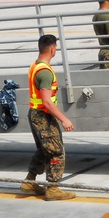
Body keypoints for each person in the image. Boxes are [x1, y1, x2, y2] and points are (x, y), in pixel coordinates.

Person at [20, 35, 75, 201]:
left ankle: (29, 182)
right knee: (56, 151)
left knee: (45, 150)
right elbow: (47, 101)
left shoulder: (36, 65)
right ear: (52, 49)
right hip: (43, 115)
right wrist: (64, 119)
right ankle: (53, 188)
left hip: (36, 113)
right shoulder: (45, 72)